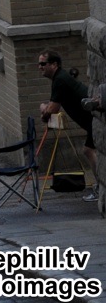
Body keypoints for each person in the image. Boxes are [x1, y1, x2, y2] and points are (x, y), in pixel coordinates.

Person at [38, 50, 99, 201]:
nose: (40, 67)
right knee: (90, 150)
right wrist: (46, 109)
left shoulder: (60, 80)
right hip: (93, 119)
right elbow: (54, 106)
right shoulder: (59, 79)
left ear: (54, 64)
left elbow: (52, 110)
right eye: (39, 64)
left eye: (43, 64)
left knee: (89, 150)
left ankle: (101, 187)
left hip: (95, 118)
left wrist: (44, 109)